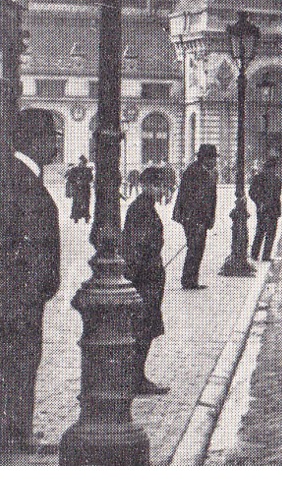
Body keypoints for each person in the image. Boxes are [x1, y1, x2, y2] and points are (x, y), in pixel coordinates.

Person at [0, 122, 61, 454]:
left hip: (20, 291)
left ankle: (5, 430)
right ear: (34, 140)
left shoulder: (17, 174)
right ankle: (15, 434)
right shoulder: (17, 177)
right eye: (51, 137)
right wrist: (31, 283)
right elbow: (7, 239)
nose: (56, 145)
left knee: (15, 360)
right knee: (20, 360)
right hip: (19, 292)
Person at [121, 166, 171, 396]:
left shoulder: (144, 207)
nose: (161, 190)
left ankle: (136, 376)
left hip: (148, 279)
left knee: (146, 330)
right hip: (144, 282)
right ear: (146, 185)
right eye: (157, 185)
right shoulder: (140, 209)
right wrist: (138, 275)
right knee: (142, 330)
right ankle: (135, 379)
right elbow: (137, 248)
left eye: (161, 185)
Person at [173, 144, 220, 289]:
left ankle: (192, 279)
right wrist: (196, 221)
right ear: (205, 158)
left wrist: (209, 218)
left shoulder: (208, 172)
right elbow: (189, 199)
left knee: (198, 248)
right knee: (194, 247)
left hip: (201, 218)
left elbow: (211, 198)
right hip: (192, 218)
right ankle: (188, 280)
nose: (215, 162)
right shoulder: (193, 171)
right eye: (212, 158)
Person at [248, 155, 282, 262]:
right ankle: (255, 254)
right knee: (261, 231)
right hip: (263, 209)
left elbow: (277, 196)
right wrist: (260, 202)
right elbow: (252, 192)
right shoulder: (259, 178)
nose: (273, 169)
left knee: (270, 233)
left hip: (273, 209)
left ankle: (265, 255)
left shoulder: (277, 179)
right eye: (271, 167)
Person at [63, 156, 93, 224]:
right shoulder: (75, 169)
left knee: (86, 203)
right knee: (76, 203)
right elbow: (70, 178)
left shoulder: (88, 170)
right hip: (77, 189)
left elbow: (90, 178)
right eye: (80, 162)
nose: (81, 164)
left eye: (83, 163)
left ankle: (86, 217)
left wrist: (84, 181)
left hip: (85, 189)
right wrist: (76, 181)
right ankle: (76, 218)